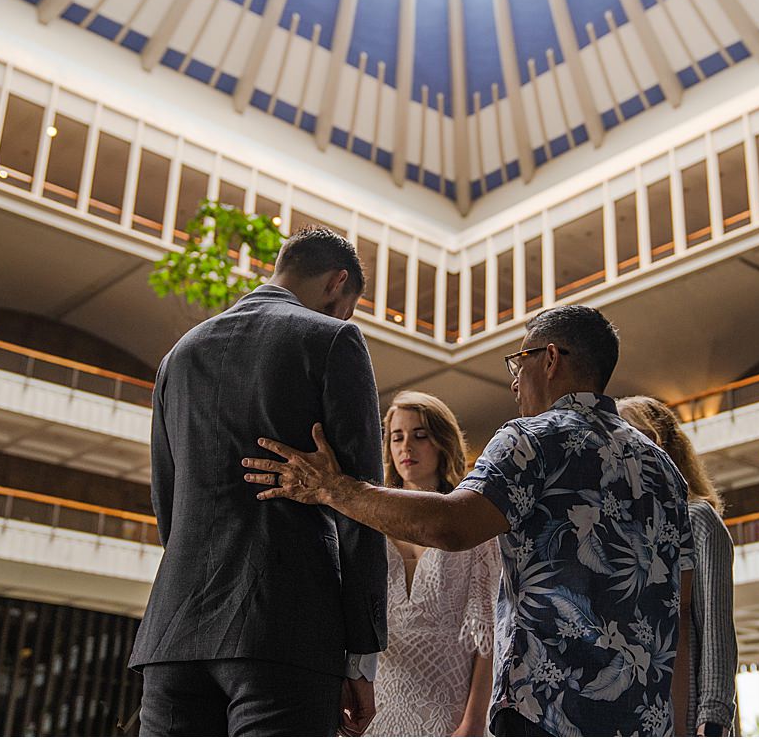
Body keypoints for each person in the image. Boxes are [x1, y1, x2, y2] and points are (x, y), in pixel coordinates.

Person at [243, 305, 691, 736]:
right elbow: (680, 608)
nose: (514, 381)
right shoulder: (663, 469)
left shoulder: (529, 440)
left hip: (548, 710)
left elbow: (452, 525)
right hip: (642, 718)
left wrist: (332, 488)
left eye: (520, 362)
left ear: (550, 358)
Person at [128, 227, 387, 736]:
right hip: (286, 629)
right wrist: (360, 656)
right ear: (338, 283)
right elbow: (362, 506)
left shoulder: (178, 356)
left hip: (174, 635)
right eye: (347, 305)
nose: (343, 317)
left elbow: (168, 506)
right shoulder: (332, 339)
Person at [364, 391, 498, 737]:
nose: (406, 446)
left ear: (442, 442)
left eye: (420, 435)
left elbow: (488, 635)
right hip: (377, 705)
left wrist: (474, 721)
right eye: (398, 436)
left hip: (448, 709)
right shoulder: (370, 525)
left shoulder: (472, 524)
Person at [618, 396, 737, 737]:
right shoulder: (621, 529)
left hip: (685, 710)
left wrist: (712, 716)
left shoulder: (698, 519)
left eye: (636, 436)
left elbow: (716, 627)